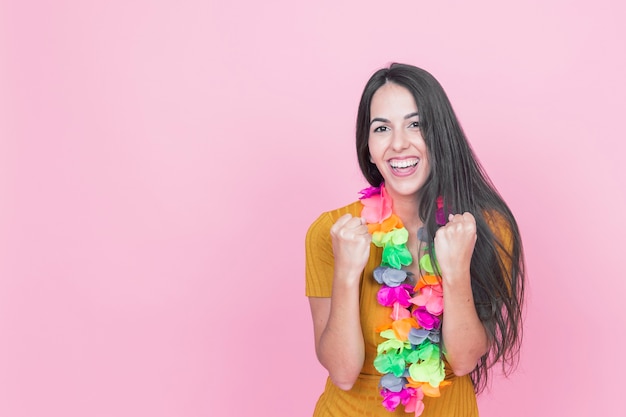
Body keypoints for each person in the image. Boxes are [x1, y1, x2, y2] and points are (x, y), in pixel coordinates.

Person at [305, 63, 525, 416]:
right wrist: (347, 274)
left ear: (440, 133)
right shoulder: (332, 232)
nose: (398, 144)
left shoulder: (486, 228)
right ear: (368, 144)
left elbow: (465, 360)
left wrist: (455, 273)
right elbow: (343, 373)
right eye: (381, 128)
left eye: (416, 124)